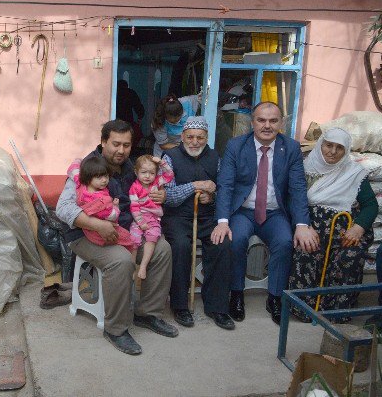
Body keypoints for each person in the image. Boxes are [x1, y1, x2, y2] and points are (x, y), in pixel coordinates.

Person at [56, 120, 176, 356]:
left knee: (162, 249)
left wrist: (159, 194)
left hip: (124, 232)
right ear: (103, 142)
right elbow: (63, 207)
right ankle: (116, 329)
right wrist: (96, 224)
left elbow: (149, 189)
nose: (121, 151)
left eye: (127, 145)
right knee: (120, 261)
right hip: (85, 234)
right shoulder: (87, 167)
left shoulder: (132, 167)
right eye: (115, 144)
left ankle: (147, 314)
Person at [211, 102, 318, 325]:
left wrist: (301, 224)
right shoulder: (236, 146)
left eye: (273, 120)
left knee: (285, 241)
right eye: (261, 120)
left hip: (275, 212)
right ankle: (236, 294)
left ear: (281, 123)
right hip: (243, 211)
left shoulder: (290, 148)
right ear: (252, 122)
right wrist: (222, 221)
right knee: (236, 239)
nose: (267, 125)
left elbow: (298, 188)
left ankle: (275, 297)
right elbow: (226, 185)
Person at [288, 128, 378, 321]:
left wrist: (358, 228)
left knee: (350, 257)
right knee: (306, 251)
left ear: (346, 152)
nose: (333, 151)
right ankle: (305, 308)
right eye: (329, 145)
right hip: (311, 229)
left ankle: (338, 310)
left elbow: (370, 205)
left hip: (346, 235)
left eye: (340, 148)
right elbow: (292, 200)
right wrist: (303, 226)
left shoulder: (354, 173)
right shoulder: (304, 169)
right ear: (321, 144)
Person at [162, 117, 235, 330]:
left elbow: (222, 189)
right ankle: (179, 305)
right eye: (190, 137)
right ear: (183, 136)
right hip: (177, 217)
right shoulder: (170, 157)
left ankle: (217, 307)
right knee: (181, 247)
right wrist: (195, 187)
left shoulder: (215, 157)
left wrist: (210, 197)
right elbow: (168, 195)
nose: (194, 142)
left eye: (200, 138)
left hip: (206, 217)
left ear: (206, 138)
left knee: (222, 245)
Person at [66, 156, 136, 253]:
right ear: (88, 177)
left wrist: (78, 160)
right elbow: (112, 216)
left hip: (88, 231)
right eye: (99, 177)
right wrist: (115, 206)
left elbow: (73, 170)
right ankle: (131, 258)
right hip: (101, 234)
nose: (104, 180)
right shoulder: (103, 200)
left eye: (106, 176)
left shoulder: (81, 184)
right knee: (131, 241)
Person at [129, 155, 174, 279]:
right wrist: (140, 221)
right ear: (136, 172)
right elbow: (134, 207)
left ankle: (143, 266)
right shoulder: (134, 188)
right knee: (134, 239)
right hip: (139, 218)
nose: (147, 176)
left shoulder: (157, 182)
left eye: (151, 173)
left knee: (152, 238)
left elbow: (169, 175)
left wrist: (162, 163)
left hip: (154, 219)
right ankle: (132, 266)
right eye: (144, 172)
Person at [151, 93, 200, 157]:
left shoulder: (187, 103)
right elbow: (163, 145)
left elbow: (202, 99)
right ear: (165, 116)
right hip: (164, 151)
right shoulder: (159, 122)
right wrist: (183, 147)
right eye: (172, 121)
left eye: (179, 117)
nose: (177, 121)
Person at [116, 80, 145, 147]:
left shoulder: (114, 92)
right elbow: (138, 106)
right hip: (128, 119)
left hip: (116, 119)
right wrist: (140, 117)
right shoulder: (130, 92)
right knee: (128, 138)